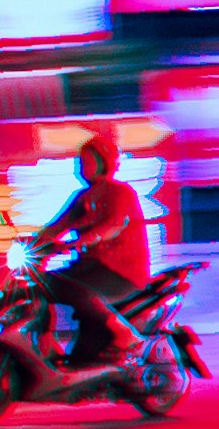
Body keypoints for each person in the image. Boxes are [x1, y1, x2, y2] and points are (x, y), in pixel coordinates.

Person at [38, 129, 150, 367]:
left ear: (103, 164)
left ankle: (125, 335)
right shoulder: (82, 197)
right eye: (80, 162)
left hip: (120, 272)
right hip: (92, 267)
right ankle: (45, 341)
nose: (81, 167)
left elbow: (113, 225)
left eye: (87, 162)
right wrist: (30, 243)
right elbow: (57, 226)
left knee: (71, 288)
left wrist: (80, 241)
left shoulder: (120, 192)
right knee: (41, 285)